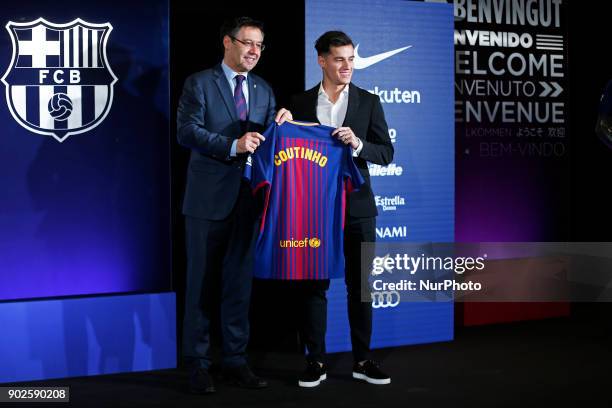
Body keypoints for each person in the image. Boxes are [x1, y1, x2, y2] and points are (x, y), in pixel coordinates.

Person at [176, 16, 290, 394]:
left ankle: (236, 361)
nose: (254, 51)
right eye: (247, 42)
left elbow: (269, 141)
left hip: (248, 200)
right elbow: (187, 131)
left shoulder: (264, 89)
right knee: (201, 286)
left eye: (260, 45)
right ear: (228, 42)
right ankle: (197, 364)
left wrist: (281, 124)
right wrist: (232, 146)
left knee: (238, 287)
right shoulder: (199, 83)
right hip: (207, 202)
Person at [288, 31, 394, 387]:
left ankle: (363, 360)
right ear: (321, 60)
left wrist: (359, 143)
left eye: (350, 59)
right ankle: (315, 361)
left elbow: (386, 153)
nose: (347, 66)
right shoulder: (299, 103)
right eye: (339, 59)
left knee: (359, 286)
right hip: (313, 209)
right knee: (313, 286)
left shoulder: (368, 102)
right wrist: (281, 124)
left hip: (359, 208)